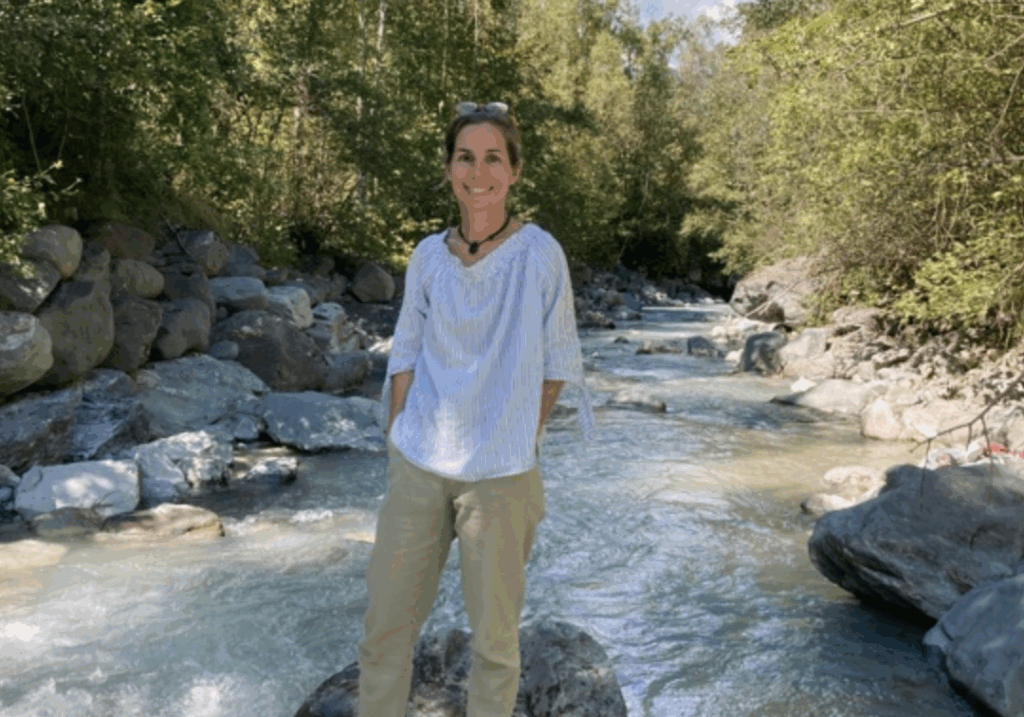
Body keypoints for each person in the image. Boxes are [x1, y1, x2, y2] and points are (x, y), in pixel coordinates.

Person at [357, 101, 594, 717]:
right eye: (466, 157)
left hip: (502, 476)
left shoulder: (539, 254)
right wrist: (398, 437)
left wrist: (516, 434)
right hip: (419, 462)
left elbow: (559, 361)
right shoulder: (428, 256)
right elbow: (405, 353)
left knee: (495, 648)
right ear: (449, 169)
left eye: (493, 158)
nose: (478, 172)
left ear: (514, 171)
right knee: (384, 633)